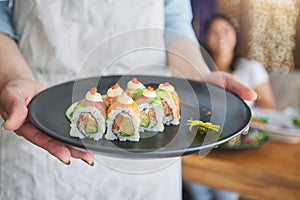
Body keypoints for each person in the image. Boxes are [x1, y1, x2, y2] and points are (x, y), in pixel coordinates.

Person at [0, 1, 257, 199]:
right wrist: (13, 76)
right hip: (41, 115)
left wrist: (199, 76)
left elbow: (174, 20)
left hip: (150, 144)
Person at [184, 14, 275, 200]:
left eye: (226, 30)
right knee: (196, 189)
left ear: (235, 35)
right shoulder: (198, 74)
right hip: (203, 145)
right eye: (213, 31)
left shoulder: (250, 68)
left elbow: (269, 106)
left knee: (225, 193)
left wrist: (242, 115)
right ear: (206, 38)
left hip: (239, 146)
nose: (220, 36)